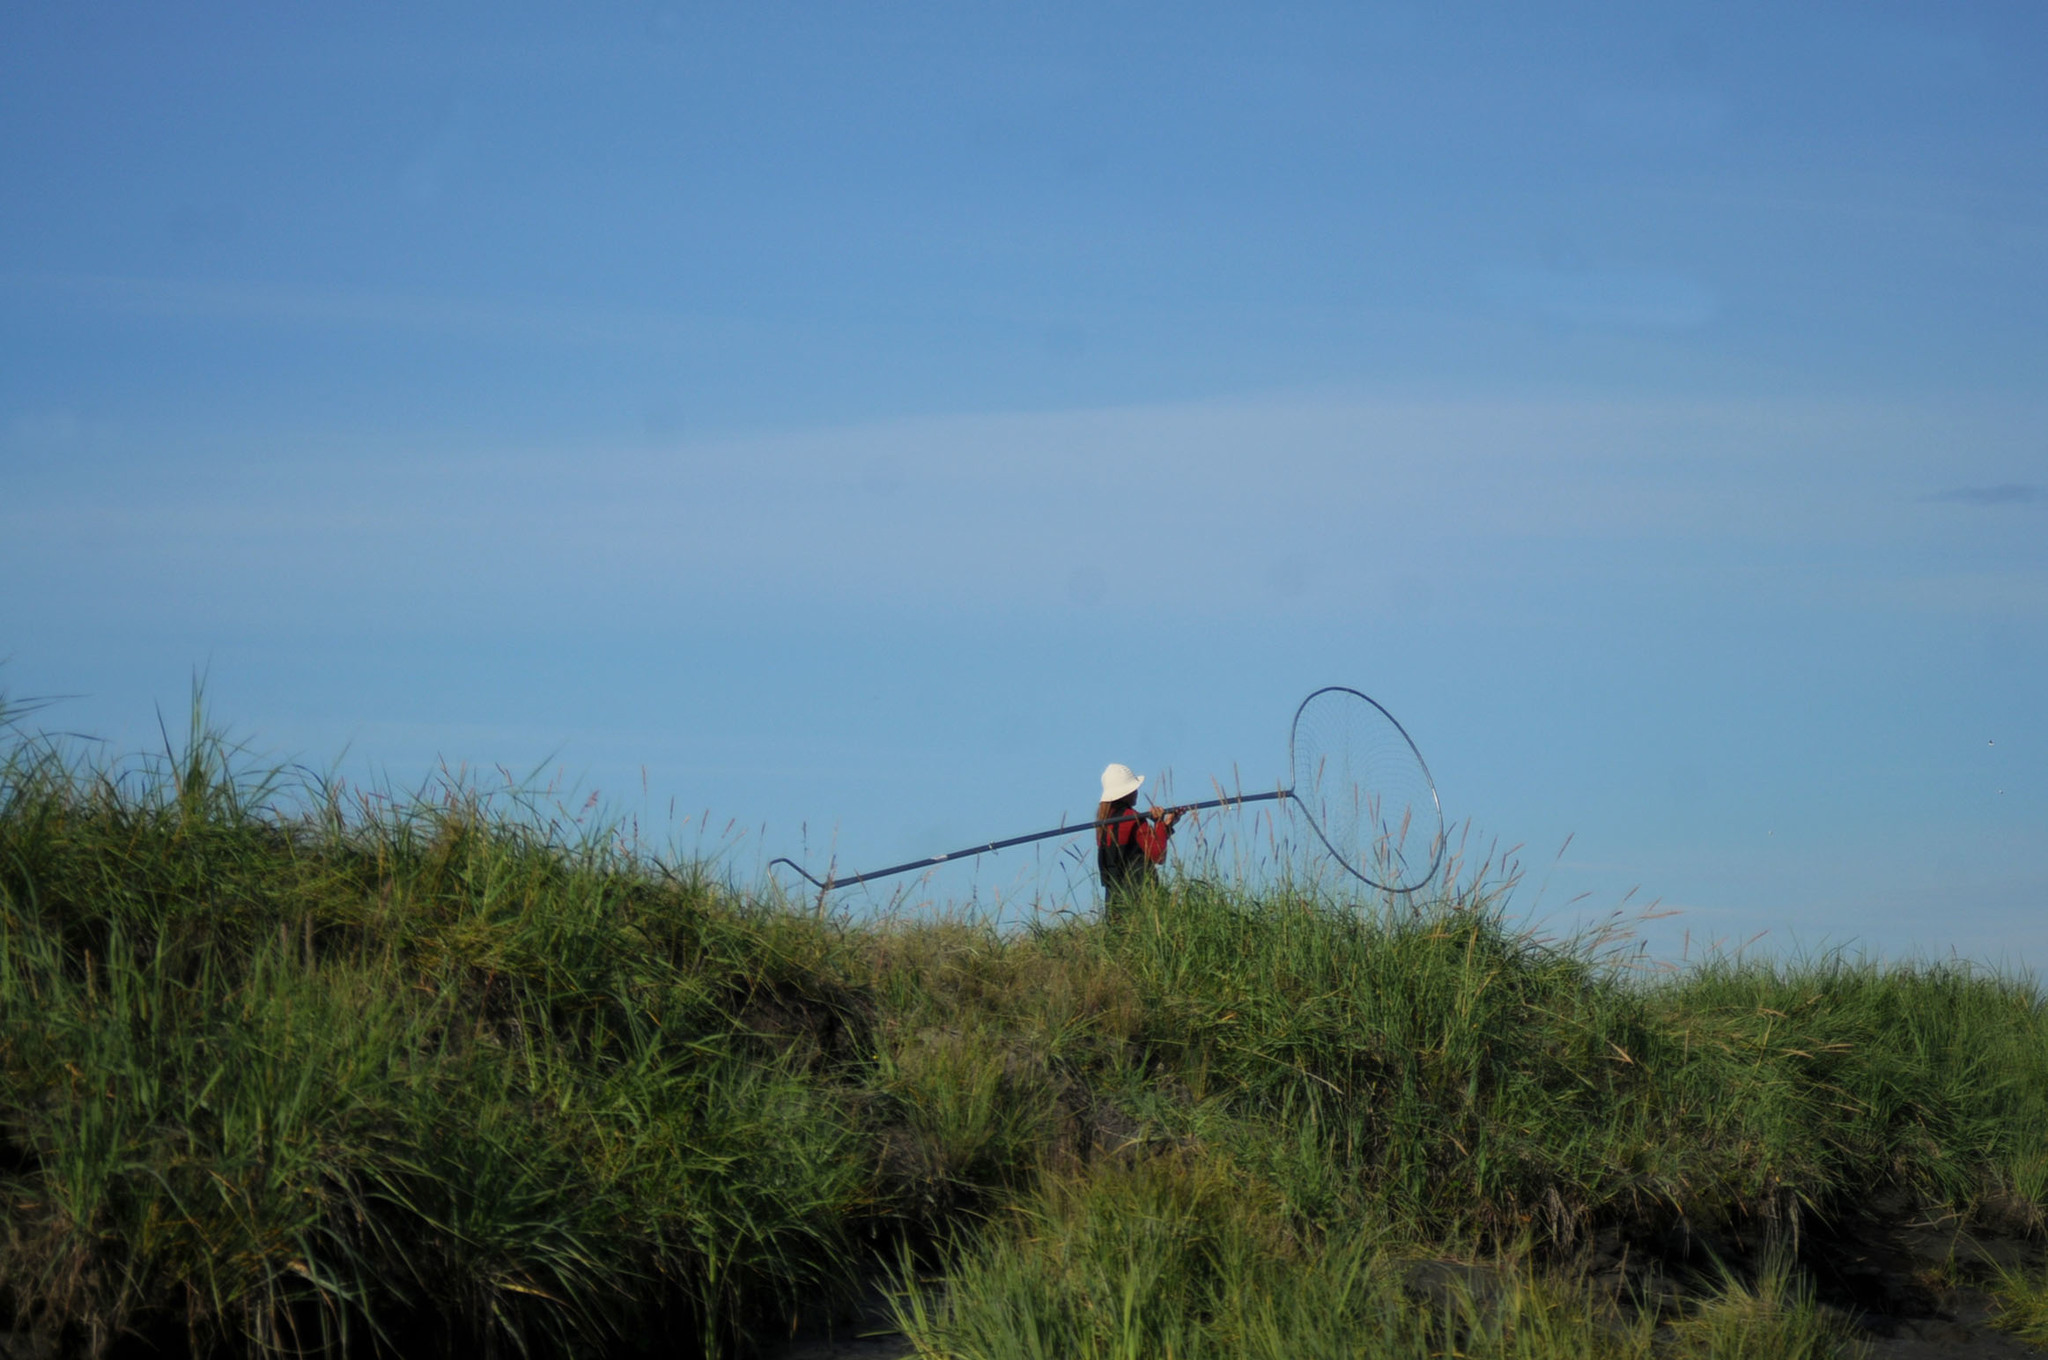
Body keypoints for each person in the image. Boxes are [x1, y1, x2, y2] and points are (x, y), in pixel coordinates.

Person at [1095, 762, 1182, 916]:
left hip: (1114, 904)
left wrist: (1166, 827)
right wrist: (1159, 823)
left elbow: (1133, 848)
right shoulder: (1132, 818)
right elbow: (1158, 855)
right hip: (1141, 900)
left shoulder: (1103, 824)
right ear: (1127, 792)